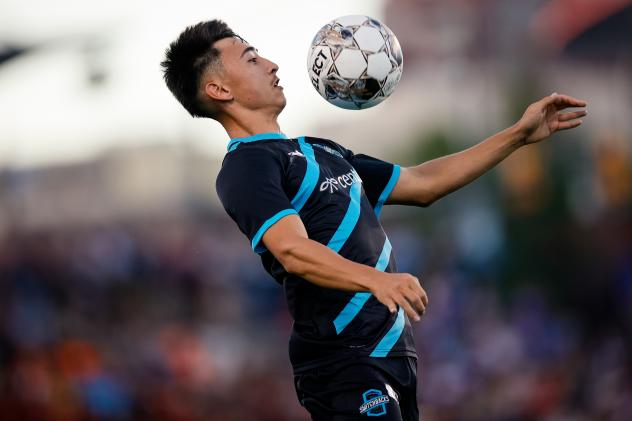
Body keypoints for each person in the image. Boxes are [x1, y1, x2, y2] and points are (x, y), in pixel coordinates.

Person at [161, 19, 587, 421]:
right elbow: (292, 250)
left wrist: (517, 135)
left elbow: (422, 183)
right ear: (218, 88)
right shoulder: (246, 166)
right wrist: (377, 280)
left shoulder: (320, 150)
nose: (271, 64)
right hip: (342, 358)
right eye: (251, 58)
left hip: (392, 353)